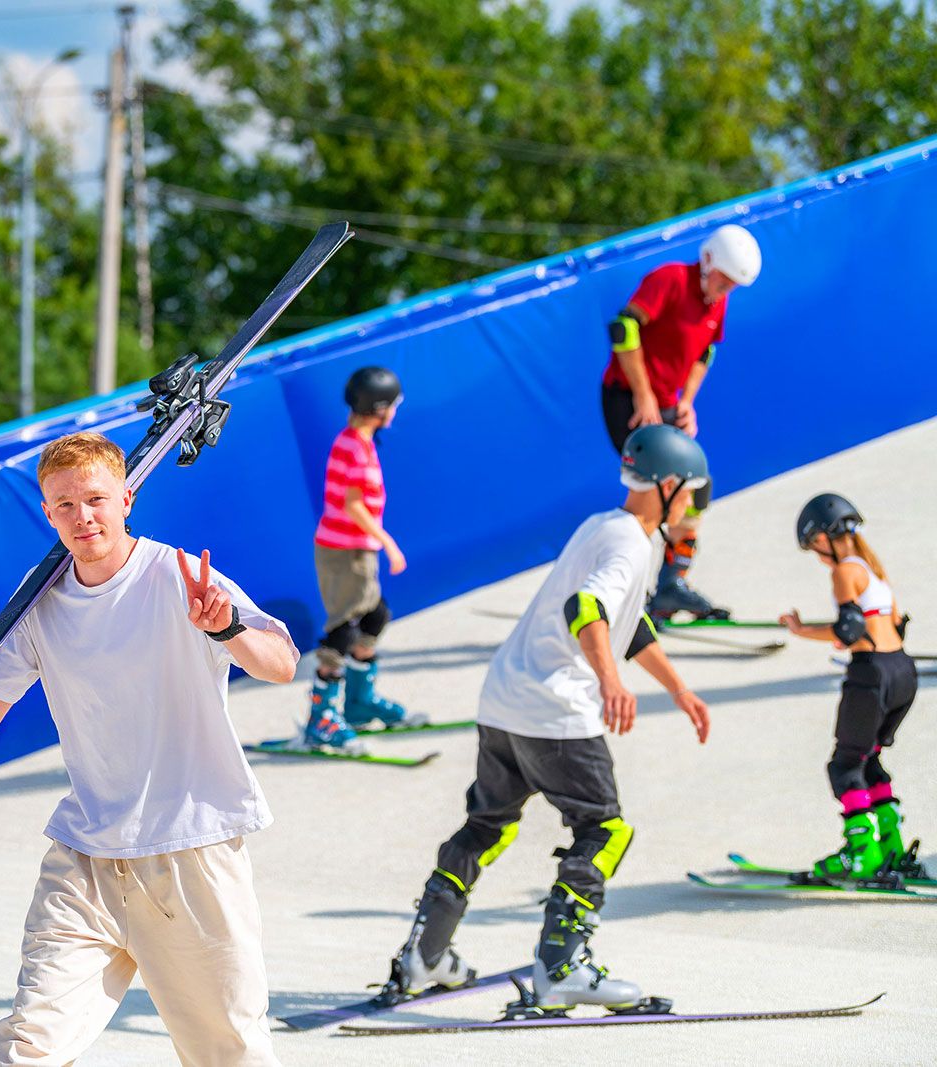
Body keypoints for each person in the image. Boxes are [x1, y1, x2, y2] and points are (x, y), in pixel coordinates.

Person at [0, 430, 298, 1066]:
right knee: (27, 1047)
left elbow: (281, 663)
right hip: (88, 857)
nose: (81, 516)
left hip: (190, 850)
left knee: (230, 1052)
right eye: (64, 504)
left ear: (127, 498)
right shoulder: (40, 600)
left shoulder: (177, 576)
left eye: (95, 499)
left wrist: (225, 627)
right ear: (46, 512)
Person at [377, 425, 713, 1014]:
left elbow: (627, 623)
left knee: (486, 827)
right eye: (690, 492)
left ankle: (425, 955)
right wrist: (610, 681)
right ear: (665, 484)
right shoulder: (632, 542)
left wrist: (680, 689)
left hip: (503, 701)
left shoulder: (602, 526)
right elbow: (586, 609)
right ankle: (562, 968)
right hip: (555, 710)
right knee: (604, 831)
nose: (692, 504)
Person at [600, 223, 762, 621]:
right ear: (707, 261)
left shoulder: (715, 303)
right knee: (657, 495)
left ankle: (671, 584)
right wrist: (643, 394)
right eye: (724, 280)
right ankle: (617, 588)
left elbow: (705, 353)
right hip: (628, 399)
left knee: (697, 487)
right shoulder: (670, 279)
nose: (726, 290)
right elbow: (624, 328)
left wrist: (687, 401)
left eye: (733, 286)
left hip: (667, 405)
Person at [782, 493, 923, 881]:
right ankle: (891, 848)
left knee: (845, 765)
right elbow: (889, 625)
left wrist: (801, 631)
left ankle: (862, 852)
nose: (816, 554)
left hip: (871, 675)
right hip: (902, 672)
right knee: (869, 759)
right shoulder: (875, 571)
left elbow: (849, 629)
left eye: (814, 544)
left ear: (826, 536)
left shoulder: (844, 571)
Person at [304, 365, 423, 752]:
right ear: (381, 407)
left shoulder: (361, 440)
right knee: (345, 629)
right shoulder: (354, 445)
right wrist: (387, 543)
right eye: (394, 405)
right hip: (345, 552)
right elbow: (354, 505)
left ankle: (358, 703)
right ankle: (320, 720)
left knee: (374, 616)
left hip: (356, 550)